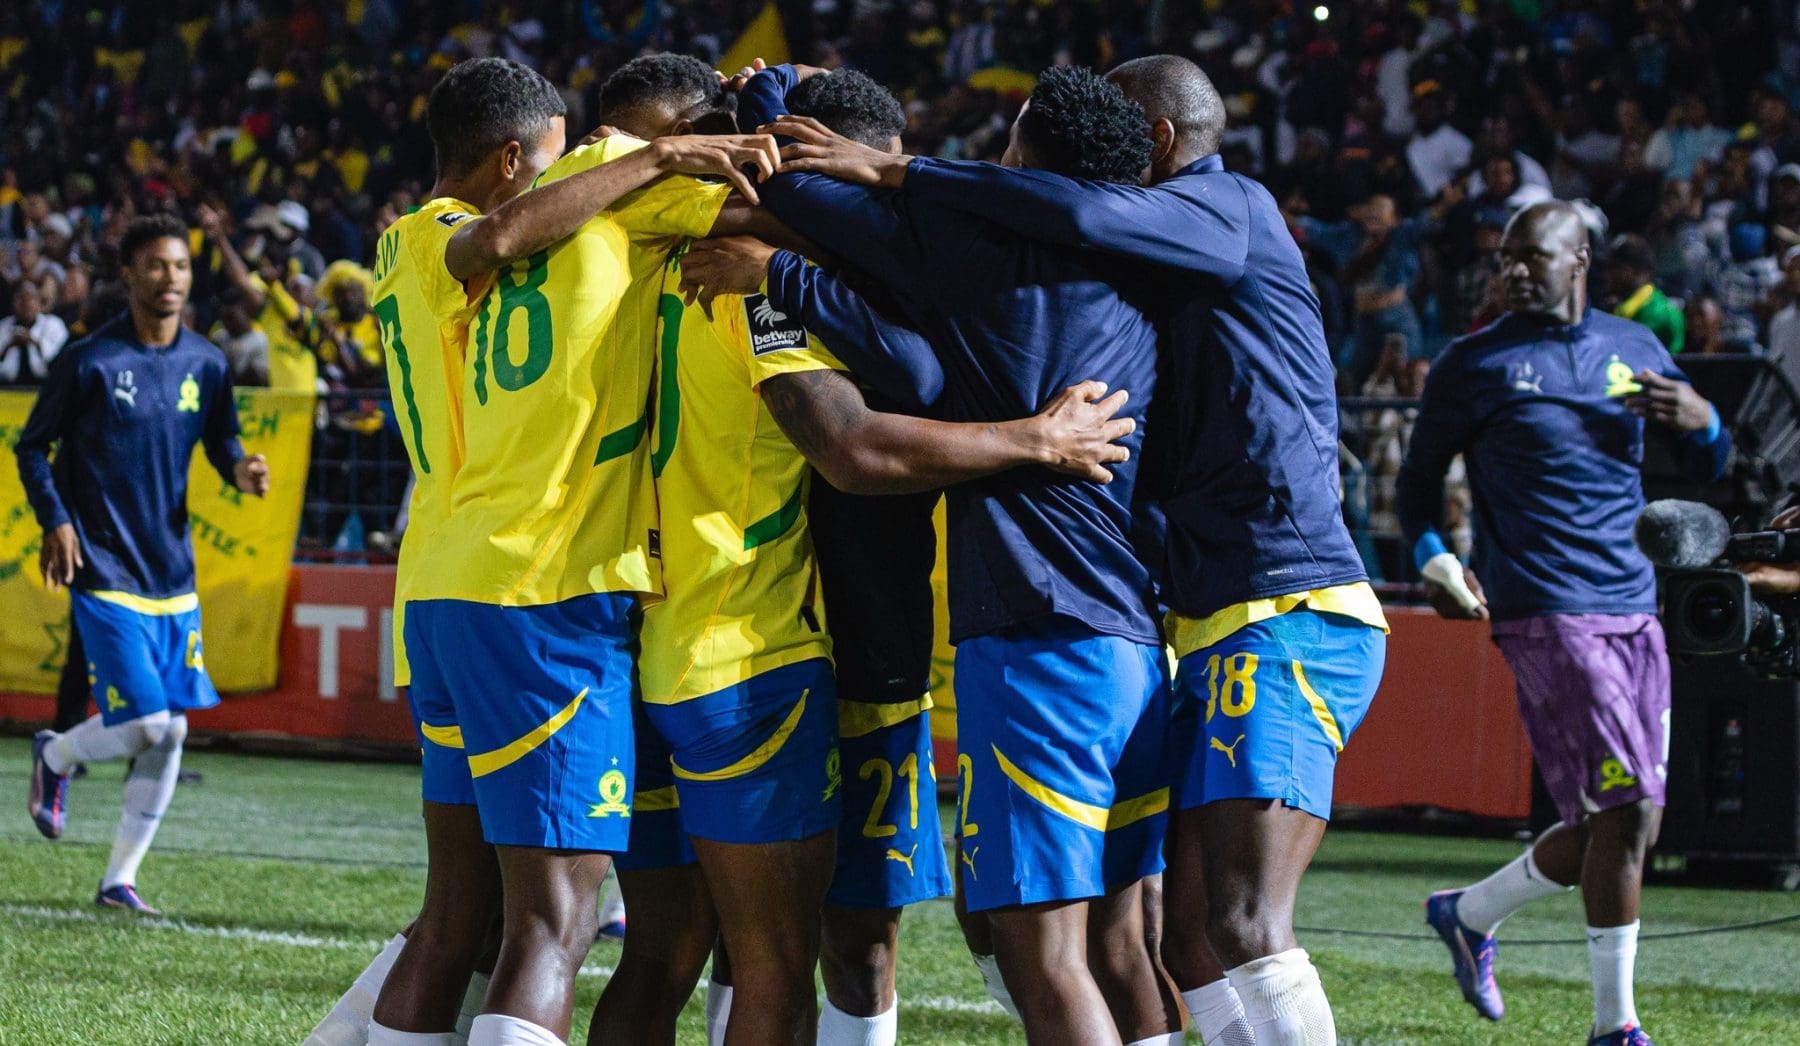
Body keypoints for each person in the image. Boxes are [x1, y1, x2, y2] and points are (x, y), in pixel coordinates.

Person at [773, 52, 1392, 1046]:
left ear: (1153, 142)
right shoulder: (1124, 266)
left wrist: (883, 180)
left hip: (1277, 599)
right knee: (1169, 937)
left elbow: (1074, 217)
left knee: (1207, 924)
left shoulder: (1229, 207)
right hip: (1169, 621)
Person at [300, 56, 782, 1046]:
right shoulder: (620, 194)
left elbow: (502, 238)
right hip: (544, 588)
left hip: (438, 579)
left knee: (457, 914)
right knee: (551, 923)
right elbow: (778, 220)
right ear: (517, 157)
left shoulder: (402, 240)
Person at [720, 63, 1179, 1046]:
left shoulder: (980, 250)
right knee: (1120, 942)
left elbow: (795, 195)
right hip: (1134, 636)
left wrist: (766, 108)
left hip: (1033, 631)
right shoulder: (1147, 266)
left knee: (1038, 948)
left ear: (1023, 161)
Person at [1399, 201, 1729, 1046]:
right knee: (1626, 807)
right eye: (1504, 258)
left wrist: (1708, 424)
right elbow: (1416, 487)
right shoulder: (1475, 362)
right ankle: (1615, 1027)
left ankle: (1468, 914)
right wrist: (1435, 553)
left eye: (1531, 257)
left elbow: (1709, 462)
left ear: (1579, 258)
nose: (1512, 270)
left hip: (1634, 603)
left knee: (1622, 819)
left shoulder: (1634, 349)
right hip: (1543, 607)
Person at [21, 213, 272, 913]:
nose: (171, 279)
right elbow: (30, 448)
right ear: (128, 275)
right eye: (156, 266)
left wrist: (240, 468)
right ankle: (57, 756)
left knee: (175, 730)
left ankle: (118, 880)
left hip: (172, 572)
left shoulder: (207, 362)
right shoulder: (89, 361)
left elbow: (221, 439)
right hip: (103, 565)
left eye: (181, 266)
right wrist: (58, 521)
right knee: (151, 724)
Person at [1607, 234, 1685, 353]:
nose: (1608, 276)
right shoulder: (1617, 310)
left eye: (1615, 268)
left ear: (1631, 271)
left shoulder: (1665, 316)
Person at [0, 281, 70, 385]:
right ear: (13, 302)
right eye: (20, 297)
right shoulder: (3, 326)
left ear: (39, 302)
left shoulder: (54, 324)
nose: (25, 303)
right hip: (6, 389)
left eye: (31, 297)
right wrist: (9, 345)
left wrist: (33, 341)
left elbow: (60, 362)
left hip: (45, 387)